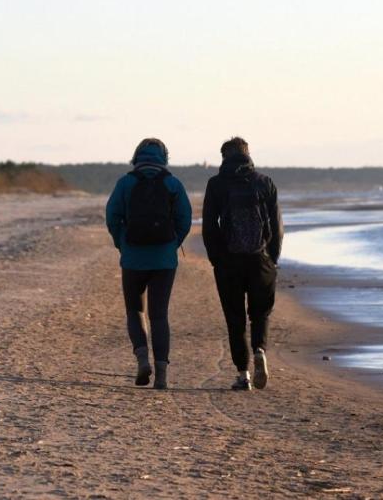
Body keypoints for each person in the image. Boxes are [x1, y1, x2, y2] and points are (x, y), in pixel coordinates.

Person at [106, 138, 192, 390]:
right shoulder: (173, 183)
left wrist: (122, 244)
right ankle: (162, 375)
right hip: (164, 260)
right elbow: (184, 220)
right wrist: (171, 245)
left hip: (132, 257)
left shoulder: (125, 183)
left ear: (136, 156)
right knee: (159, 315)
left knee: (134, 310)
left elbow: (112, 217)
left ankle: (142, 360)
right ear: (164, 158)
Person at [202, 137, 283, 391]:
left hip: (229, 262)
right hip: (261, 260)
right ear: (248, 155)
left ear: (224, 157)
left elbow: (209, 227)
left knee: (234, 319)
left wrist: (217, 259)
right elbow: (278, 227)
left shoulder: (216, 185)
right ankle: (259, 349)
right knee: (260, 313)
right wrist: (273, 258)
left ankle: (243, 375)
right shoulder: (264, 183)